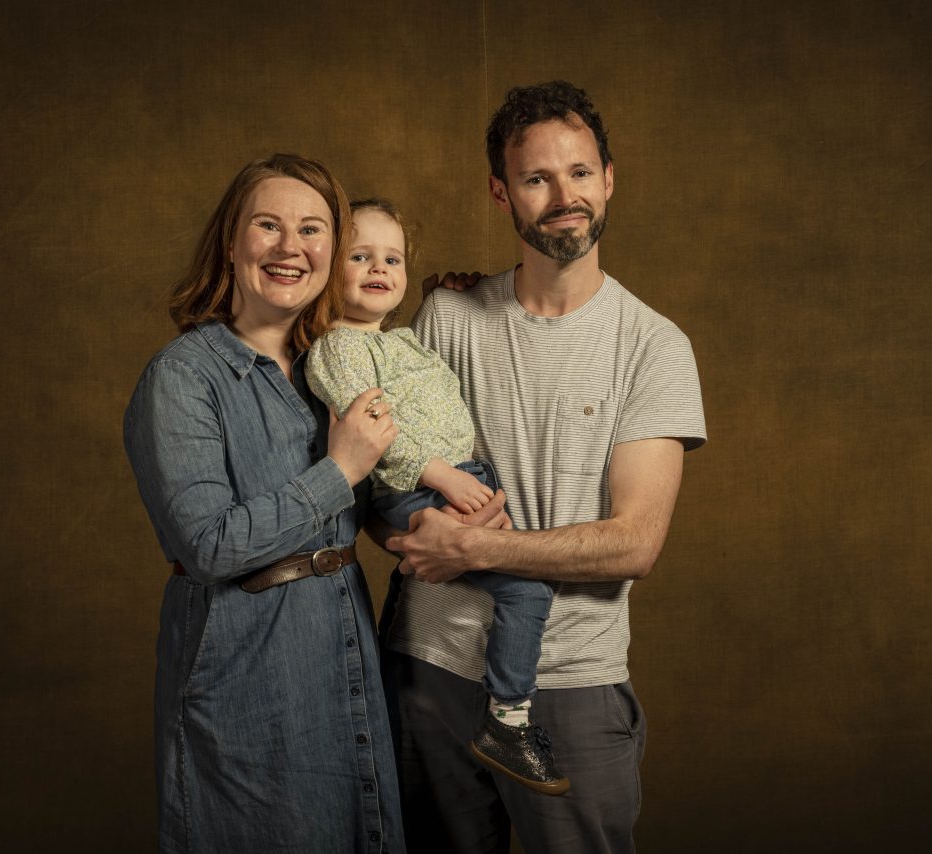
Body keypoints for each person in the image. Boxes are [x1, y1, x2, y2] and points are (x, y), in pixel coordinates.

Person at [381, 82, 708, 854]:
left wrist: (476, 547)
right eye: (537, 178)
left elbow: (635, 543)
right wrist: (408, 530)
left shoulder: (653, 347)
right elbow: (386, 473)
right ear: (502, 193)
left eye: (581, 172)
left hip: (570, 687)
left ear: (609, 179)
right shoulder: (448, 316)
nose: (565, 197)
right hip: (429, 673)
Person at [123, 154, 425, 853]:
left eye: (312, 229)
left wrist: (453, 296)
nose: (291, 247)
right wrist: (339, 468)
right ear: (231, 244)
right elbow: (209, 545)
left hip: (344, 643)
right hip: (246, 663)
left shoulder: (332, 366)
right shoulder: (183, 378)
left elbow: (377, 483)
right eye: (268, 225)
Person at [305, 199, 568, 796]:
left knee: (523, 578)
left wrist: (439, 297)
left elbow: (427, 394)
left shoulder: (399, 341)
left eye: (392, 259)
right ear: (327, 268)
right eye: (360, 256)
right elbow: (371, 432)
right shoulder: (339, 348)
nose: (379, 268)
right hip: (414, 485)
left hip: (457, 474)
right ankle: (508, 718)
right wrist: (445, 477)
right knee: (527, 589)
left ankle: (506, 709)